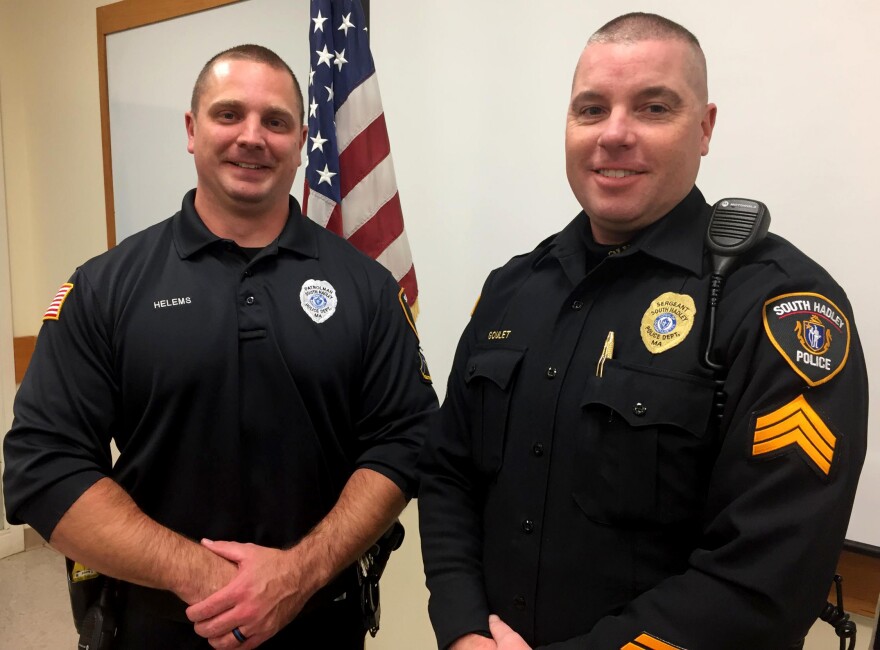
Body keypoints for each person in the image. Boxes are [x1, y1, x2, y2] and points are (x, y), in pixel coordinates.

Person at [418, 12, 867, 650]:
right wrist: (463, 628)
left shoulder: (782, 305)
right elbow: (448, 474)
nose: (615, 134)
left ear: (705, 127)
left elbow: (765, 580)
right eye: (591, 109)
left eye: (654, 108)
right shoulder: (512, 289)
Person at [2, 44, 436, 649]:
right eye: (229, 114)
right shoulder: (106, 286)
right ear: (191, 129)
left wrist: (295, 575)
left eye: (276, 121)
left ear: (302, 139)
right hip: (156, 626)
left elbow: (407, 440)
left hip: (319, 622)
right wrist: (202, 576)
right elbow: (42, 466)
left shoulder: (364, 286)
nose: (252, 137)